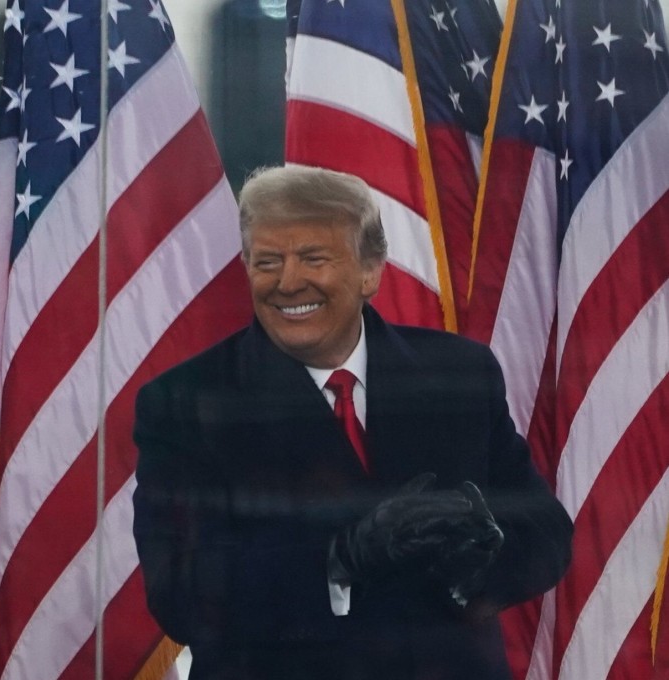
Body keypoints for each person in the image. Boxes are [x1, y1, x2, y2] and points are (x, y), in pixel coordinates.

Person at [131, 165, 573, 679]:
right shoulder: (184, 403)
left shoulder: (459, 373)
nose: (288, 282)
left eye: (313, 258)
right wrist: (339, 560)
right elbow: (180, 594)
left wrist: (482, 561)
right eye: (267, 261)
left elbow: (546, 530)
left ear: (370, 271)